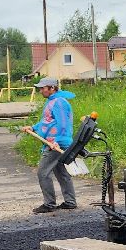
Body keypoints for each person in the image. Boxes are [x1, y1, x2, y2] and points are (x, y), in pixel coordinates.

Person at [26, 76, 76, 214]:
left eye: (43, 88)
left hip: (56, 143)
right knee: (60, 171)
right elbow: (47, 121)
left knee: (43, 172)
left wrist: (56, 142)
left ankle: (49, 204)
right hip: (55, 142)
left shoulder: (59, 102)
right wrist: (33, 127)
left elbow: (63, 125)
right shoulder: (52, 101)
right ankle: (70, 202)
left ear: (52, 88)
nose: (41, 90)